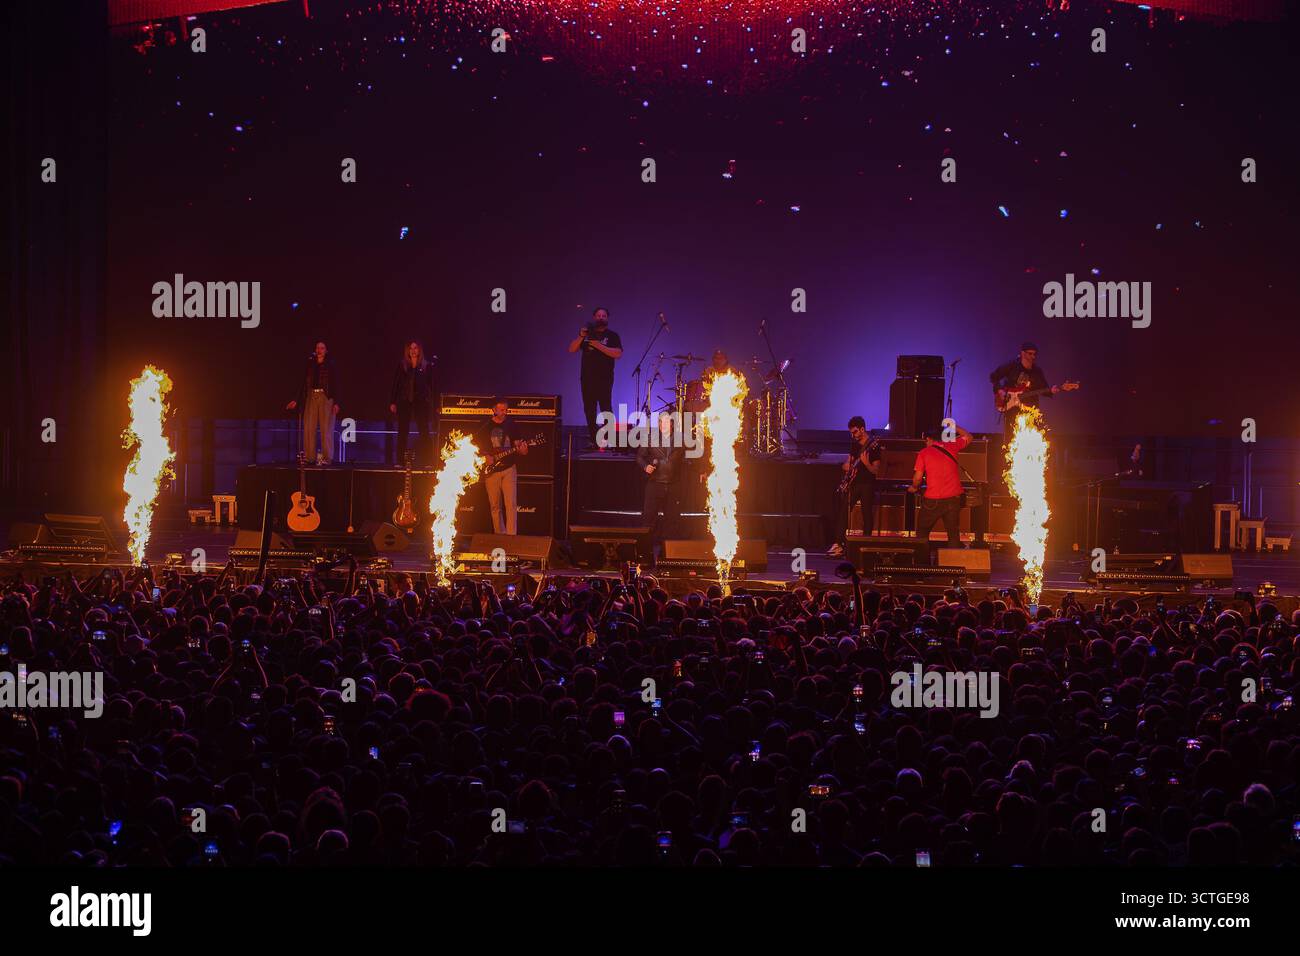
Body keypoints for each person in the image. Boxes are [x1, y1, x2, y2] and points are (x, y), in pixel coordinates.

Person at [908, 421, 972, 565]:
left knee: (922, 533)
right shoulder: (952, 446)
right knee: (953, 534)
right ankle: (952, 568)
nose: (925, 443)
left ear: (929, 439)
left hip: (933, 500)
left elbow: (917, 478)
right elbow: (969, 437)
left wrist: (914, 487)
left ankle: (922, 568)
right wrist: (954, 427)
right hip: (954, 498)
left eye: (925, 440)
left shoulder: (924, 453)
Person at [827, 416, 882, 557]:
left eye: (855, 432)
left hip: (867, 484)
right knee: (844, 511)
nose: (853, 435)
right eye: (851, 433)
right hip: (854, 484)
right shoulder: (854, 444)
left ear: (862, 429)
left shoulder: (874, 446)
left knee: (866, 514)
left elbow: (876, 470)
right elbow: (848, 462)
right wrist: (847, 466)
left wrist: (866, 463)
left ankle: (866, 544)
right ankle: (838, 544)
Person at [568, 307, 622, 451]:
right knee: (589, 410)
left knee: (606, 409)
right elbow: (572, 349)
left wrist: (598, 345)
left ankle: (609, 440)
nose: (601, 317)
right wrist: (581, 336)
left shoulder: (612, 335)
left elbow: (618, 353)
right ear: (594, 317)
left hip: (604, 378)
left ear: (607, 318)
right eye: (598, 315)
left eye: (603, 315)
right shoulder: (587, 335)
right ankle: (594, 440)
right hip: (587, 379)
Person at [989, 341, 1063, 437]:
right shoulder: (1011, 366)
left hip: (1030, 406)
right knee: (1011, 434)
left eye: (1034, 354)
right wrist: (1000, 390)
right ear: (1023, 353)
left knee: (1030, 434)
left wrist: (1053, 390)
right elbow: (994, 377)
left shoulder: (1037, 371)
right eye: (1030, 354)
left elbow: (1044, 389)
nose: (1033, 357)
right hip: (1012, 407)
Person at [637, 412, 685, 558]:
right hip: (655, 484)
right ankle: (645, 553)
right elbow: (639, 456)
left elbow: (691, 458)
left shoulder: (680, 439)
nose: (663, 425)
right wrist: (645, 466)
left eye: (666, 422)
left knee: (672, 520)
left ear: (671, 424)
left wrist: (702, 471)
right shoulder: (650, 438)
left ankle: (670, 554)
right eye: (660, 422)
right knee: (649, 519)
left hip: (673, 485)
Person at [478, 398, 529, 534]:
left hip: (509, 469)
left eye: (506, 410)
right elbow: (476, 447)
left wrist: (523, 449)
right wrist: (485, 456)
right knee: (495, 506)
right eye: (501, 410)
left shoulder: (512, 425)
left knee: (511, 505)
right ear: (494, 410)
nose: (504, 412)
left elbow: (519, 447)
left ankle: (511, 537)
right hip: (491, 471)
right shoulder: (485, 426)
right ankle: (499, 536)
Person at [285, 341, 340, 465]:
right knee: (309, 427)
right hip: (311, 396)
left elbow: (336, 384)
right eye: (317, 348)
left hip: (326, 396)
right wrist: (296, 399)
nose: (319, 350)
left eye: (322, 348)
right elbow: (302, 382)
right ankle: (310, 457)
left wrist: (336, 402)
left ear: (326, 350)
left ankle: (327, 458)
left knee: (326, 428)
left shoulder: (330, 364)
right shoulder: (310, 364)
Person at [388, 340, 434, 466]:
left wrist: (433, 403)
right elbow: (396, 384)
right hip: (404, 401)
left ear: (419, 350)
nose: (413, 351)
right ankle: (400, 461)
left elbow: (431, 386)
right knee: (403, 431)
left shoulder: (426, 366)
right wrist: (393, 401)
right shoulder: (402, 365)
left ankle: (428, 461)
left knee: (424, 431)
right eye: (411, 348)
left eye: (415, 348)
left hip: (420, 402)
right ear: (407, 350)